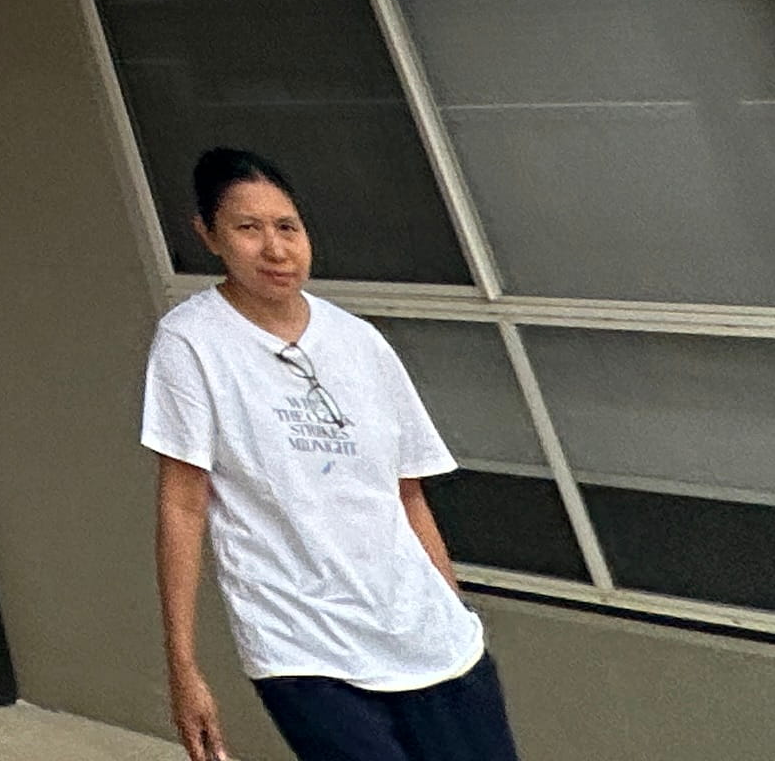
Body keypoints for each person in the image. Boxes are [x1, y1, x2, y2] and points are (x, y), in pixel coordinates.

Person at [147, 147, 518, 761]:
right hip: (302, 646)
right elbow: (183, 505)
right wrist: (183, 667)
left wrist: (454, 614)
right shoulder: (192, 343)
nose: (275, 248)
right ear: (207, 235)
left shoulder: (359, 343)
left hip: (429, 638)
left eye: (287, 226)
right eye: (248, 228)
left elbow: (407, 496)